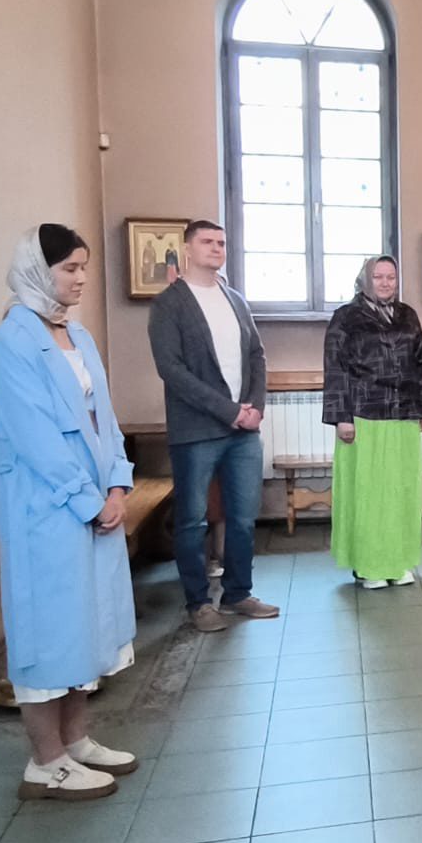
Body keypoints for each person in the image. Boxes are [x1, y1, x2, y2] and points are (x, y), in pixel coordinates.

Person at [0, 225, 140, 800]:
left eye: (83, 267)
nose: (80, 279)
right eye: (69, 268)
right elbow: (36, 439)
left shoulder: (77, 335)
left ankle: (76, 740)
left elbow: (106, 419)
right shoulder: (13, 343)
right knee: (47, 630)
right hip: (46, 508)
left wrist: (118, 483)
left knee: (87, 624)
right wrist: (88, 500)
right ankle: (45, 760)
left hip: (97, 500)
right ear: (38, 270)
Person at [147, 219, 278, 632]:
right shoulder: (169, 303)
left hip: (243, 431)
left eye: (221, 242)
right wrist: (228, 410)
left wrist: (255, 406)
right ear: (188, 249)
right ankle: (199, 603)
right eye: (207, 241)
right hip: (196, 430)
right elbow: (172, 370)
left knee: (243, 516)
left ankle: (238, 593)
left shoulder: (234, 299)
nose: (217, 248)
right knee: (192, 520)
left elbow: (256, 355)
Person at [322, 256, 422, 589]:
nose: (385, 282)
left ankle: (398, 562)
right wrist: (341, 418)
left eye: (391, 277)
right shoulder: (346, 317)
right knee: (369, 494)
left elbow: (421, 363)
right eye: (378, 276)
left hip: (403, 414)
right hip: (363, 415)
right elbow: (335, 368)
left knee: (401, 491)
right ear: (365, 279)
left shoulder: (407, 315)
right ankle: (369, 565)